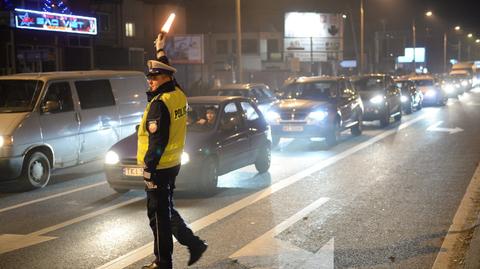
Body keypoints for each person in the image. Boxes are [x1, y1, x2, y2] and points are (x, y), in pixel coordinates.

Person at [137, 32, 207, 269]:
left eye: (154, 77)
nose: (150, 81)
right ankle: (193, 243)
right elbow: (168, 71)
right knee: (163, 210)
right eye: (150, 77)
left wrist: (149, 168)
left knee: (158, 216)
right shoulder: (178, 94)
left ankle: (163, 263)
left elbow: (158, 141)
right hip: (173, 164)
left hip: (160, 167)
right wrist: (160, 50)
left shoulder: (160, 104)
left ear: (165, 78)